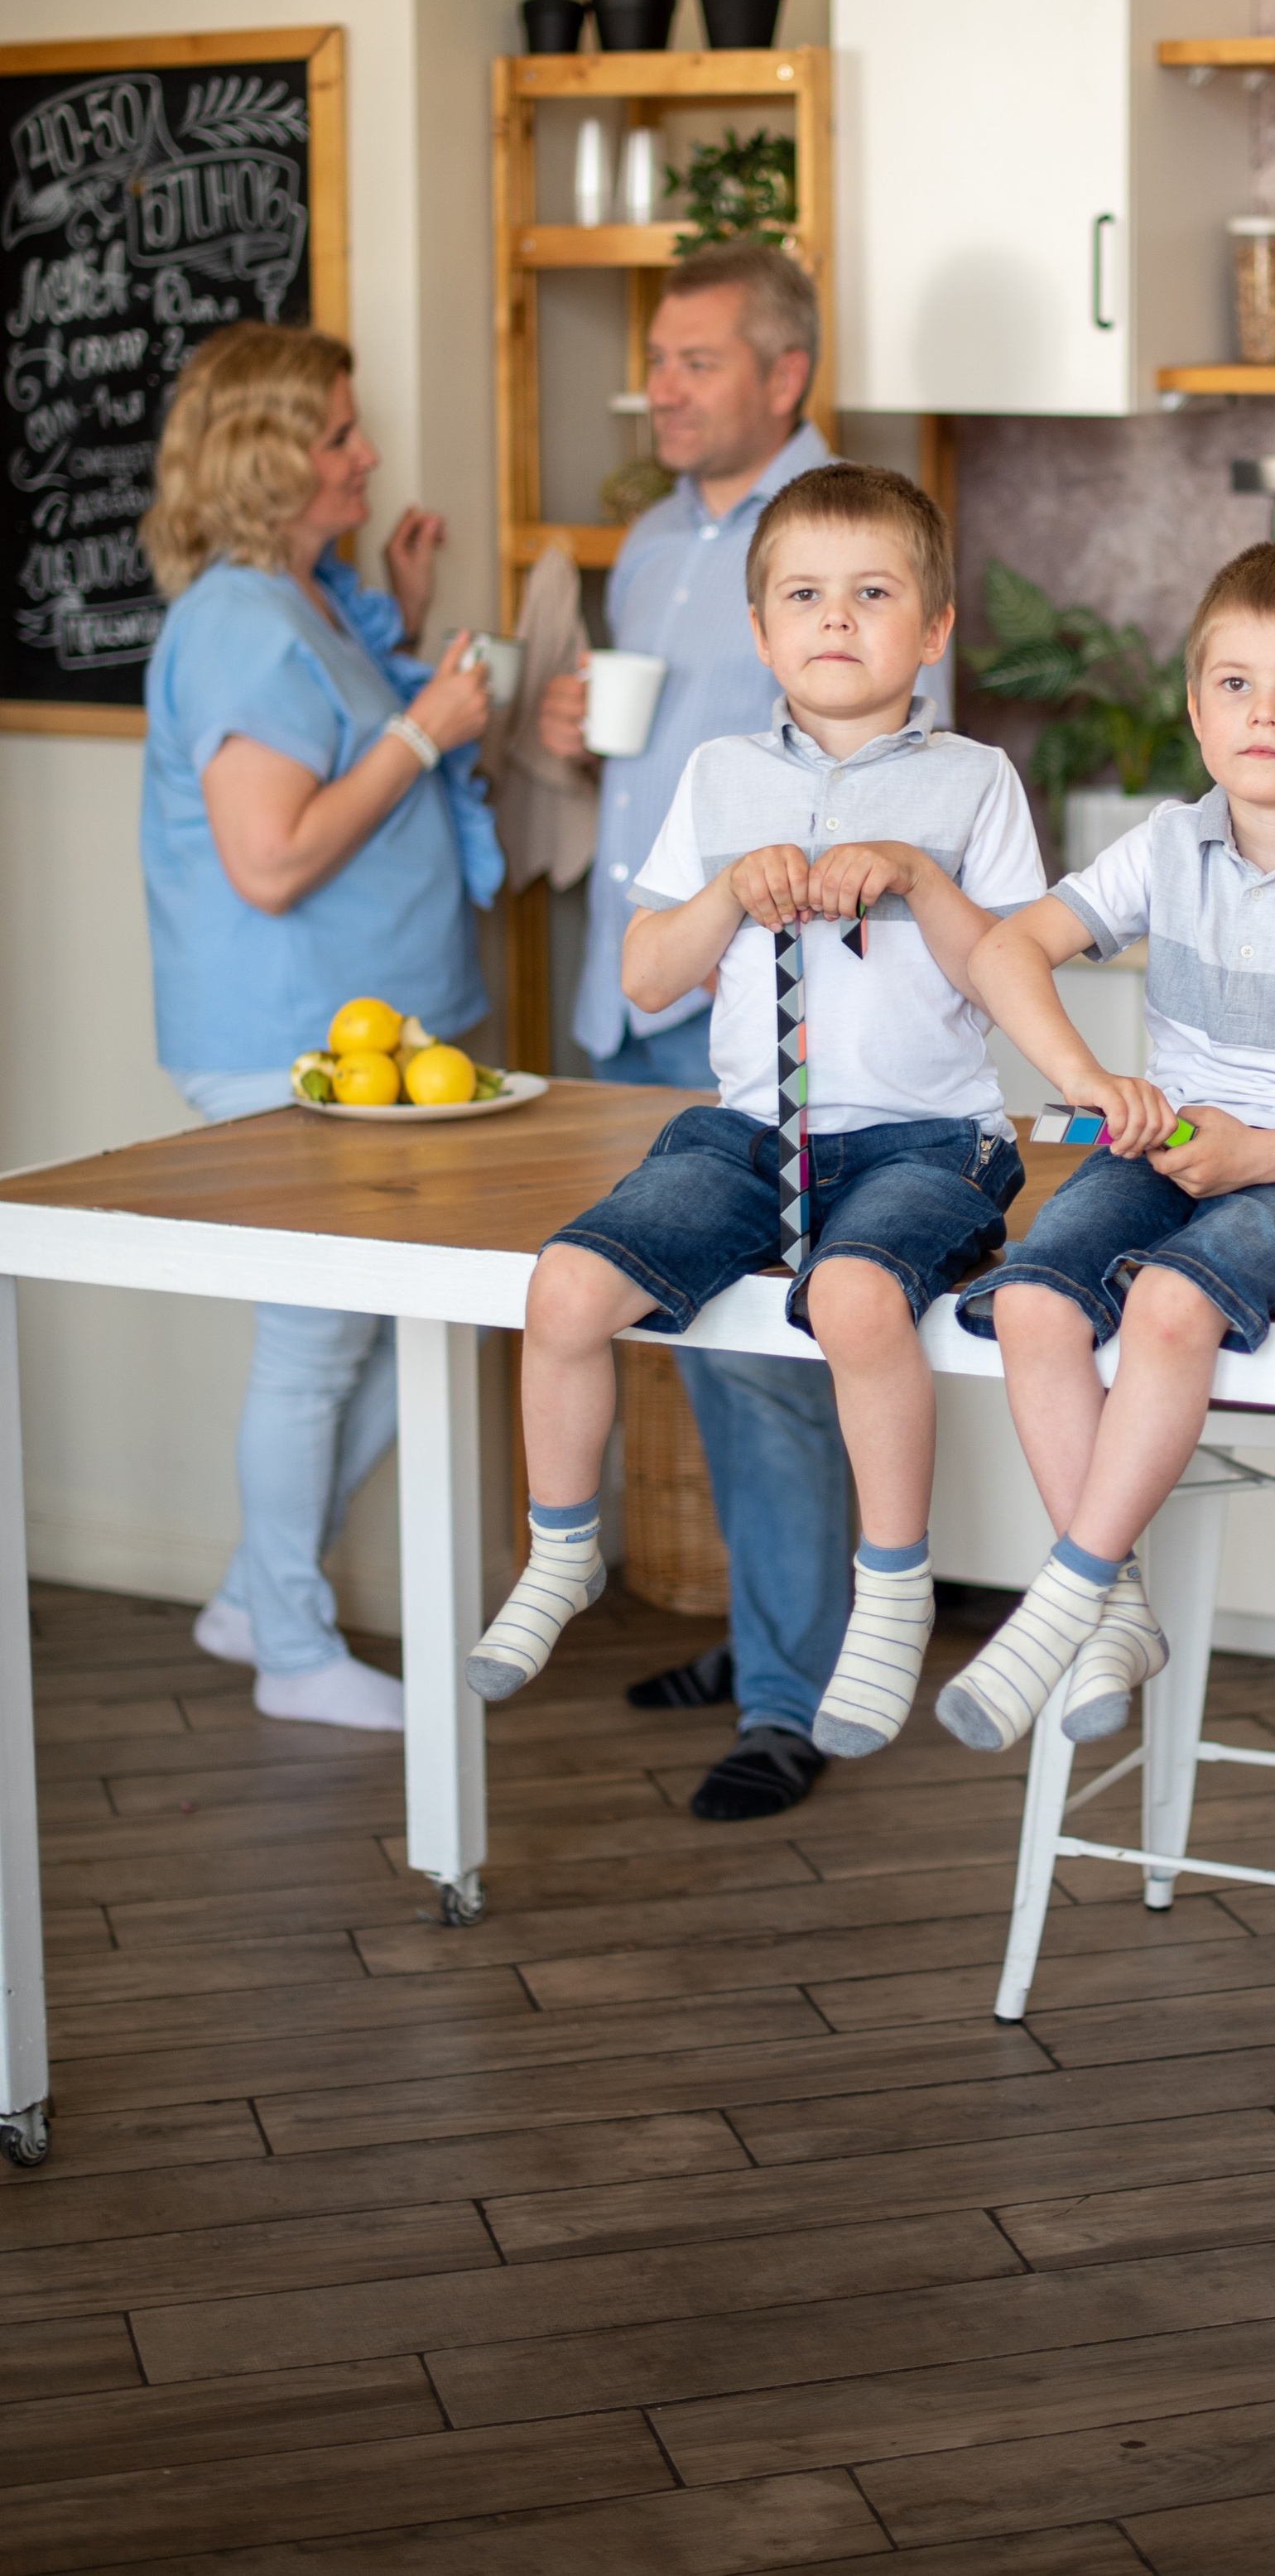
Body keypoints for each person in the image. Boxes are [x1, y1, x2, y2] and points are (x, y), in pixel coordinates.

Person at [474, 465, 1043, 1754]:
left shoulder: (973, 784)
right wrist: (732, 890)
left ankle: (889, 1590)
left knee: (852, 1300)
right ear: (760, 630)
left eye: (874, 594)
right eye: (805, 595)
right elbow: (645, 972)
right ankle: (561, 1551)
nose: (836, 619)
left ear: (935, 628)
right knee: (563, 1288)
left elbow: (1010, 977)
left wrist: (909, 876)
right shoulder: (719, 776)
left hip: (925, 1141)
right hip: (748, 1134)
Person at [945, 541, 1275, 1752]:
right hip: (1174, 1153)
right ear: (1195, 710)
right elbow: (1001, 950)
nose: (1264, 713)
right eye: (1233, 684)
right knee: (1032, 1303)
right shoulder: (1166, 847)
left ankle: (1059, 1596)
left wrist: (1255, 1156)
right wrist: (1086, 1079)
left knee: (1173, 1304)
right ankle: (1114, 1603)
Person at [138, 324, 499, 1731]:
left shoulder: (314, 601)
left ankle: (254, 1592)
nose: (367, 455)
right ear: (274, 458)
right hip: (295, 1051)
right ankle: (289, 1646)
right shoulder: (237, 620)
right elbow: (272, 860)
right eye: (342, 436)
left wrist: (397, 628)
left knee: (406, 1332)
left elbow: (333, 740)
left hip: (382, 1051)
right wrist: (433, 729)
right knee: (314, 1344)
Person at [540, 242, 859, 1819]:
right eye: (655, 362)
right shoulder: (659, 538)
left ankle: (794, 1697)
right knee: (696, 1339)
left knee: (774, 1364)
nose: (659, 389)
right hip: (639, 988)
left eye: (694, 361)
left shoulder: (838, 541)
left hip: (761, 1022)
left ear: (783, 375)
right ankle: (766, 1637)